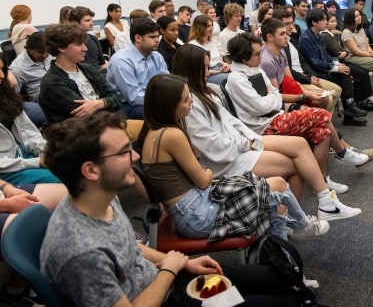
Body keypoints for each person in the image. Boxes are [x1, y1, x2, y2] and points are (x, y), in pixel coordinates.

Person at [41, 112, 282, 307]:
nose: (135, 156)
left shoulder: (98, 196)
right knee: (268, 303)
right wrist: (169, 269)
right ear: (91, 171)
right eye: (124, 152)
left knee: (266, 278)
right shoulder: (82, 255)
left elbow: (124, 245)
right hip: (162, 292)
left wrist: (181, 263)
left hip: (162, 279)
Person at [174, 44, 363, 217]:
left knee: (304, 142)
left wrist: (250, 137)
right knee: (314, 128)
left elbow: (235, 119)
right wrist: (246, 141)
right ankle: (305, 211)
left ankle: (321, 204)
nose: (209, 72)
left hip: (244, 140)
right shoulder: (192, 102)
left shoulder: (206, 93)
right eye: (205, 68)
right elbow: (215, 144)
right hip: (229, 157)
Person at [226, 33, 373, 195]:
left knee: (323, 132)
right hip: (264, 126)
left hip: (275, 116)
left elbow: (273, 94)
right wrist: (272, 97)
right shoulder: (237, 79)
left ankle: (322, 179)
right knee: (321, 115)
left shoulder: (255, 68)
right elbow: (261, 106)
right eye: (257, 54)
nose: (260, 56)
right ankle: (342, 153)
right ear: (244, 58)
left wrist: (271, 97)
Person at [299, 9, 373, 127]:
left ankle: (349, 108)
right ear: (314, 22)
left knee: (344, 71)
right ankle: (349, 109)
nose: (326, 22)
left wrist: (337, 64)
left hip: (323, 69)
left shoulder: (318, 36)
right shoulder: (306, 39)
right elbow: (315, 62)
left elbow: (326, 56)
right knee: (342, 75)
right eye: (323, 20)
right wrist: (335, 68)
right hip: (315, 73)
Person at [40, 24, 122, 124]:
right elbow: (86, 115)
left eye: (84, 43)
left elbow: (117, 98)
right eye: (79, 44)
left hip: (106, 123)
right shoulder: (53, 82)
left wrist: (101, 103)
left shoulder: (89, 69)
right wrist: (107, 103)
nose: (85, 48)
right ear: (61, 47)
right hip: (82, 133)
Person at [0, 52, 60, 185]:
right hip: (6, 169)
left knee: (75, 169)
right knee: (62, 180)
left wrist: (48, 152)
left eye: (2, 69)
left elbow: (30, 134)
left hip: (24, 158)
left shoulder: (6, 98)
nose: (2, 76)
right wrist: (37, 162)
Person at [278, 10, 343, 116]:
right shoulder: (299, 40)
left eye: (292, 23)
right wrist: (309, 79)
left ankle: (326, 120)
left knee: (337, 89)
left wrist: (311, 75)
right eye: (287, 24)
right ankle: (324, 121)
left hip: (306, 75)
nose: (291, 26)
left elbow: (302, 62)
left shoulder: (292, 41)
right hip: (298, 80)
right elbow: (290, 71)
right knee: (328, 96)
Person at [321, 12, 373, 112]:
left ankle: (368, 98)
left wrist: (343, 52)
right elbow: (337, 51)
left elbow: (342, 50)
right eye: (331, 21)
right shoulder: (325, 35)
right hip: (338, 63)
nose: (334, 24)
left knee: (364, 71)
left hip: (341, 61)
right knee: (360, 73)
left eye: (335, 21)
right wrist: (343, 52)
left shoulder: (331, 35)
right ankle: (363, 100)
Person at [107, 19, 169, 119]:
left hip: (151, 98)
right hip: (125, 105)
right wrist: (162, 100)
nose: (157, 40)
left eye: (158, 36)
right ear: (138, 38)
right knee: (163, 111)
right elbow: (133, 97)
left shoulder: (156, 56)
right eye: (152, 37)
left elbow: (167, 82)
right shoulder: (122, 61)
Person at [8, 31, 52, 103]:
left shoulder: (51, 54)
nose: (44, 55)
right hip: (40, 95)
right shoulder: (18, 68)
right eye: (40, 52)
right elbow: (12, 96)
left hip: (59, 86)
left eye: (47, 52)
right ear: (29, 49)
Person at [188, 15, 229, 85]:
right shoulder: (193, 45)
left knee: (239, 76)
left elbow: (218, 59)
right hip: (207, 75)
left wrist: (224, 64)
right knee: (232, 79)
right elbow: (198, 71)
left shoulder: (214, 41)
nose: (212, 28)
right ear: (199, 28)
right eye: (208, 26)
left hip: (219, 69)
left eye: (212, 25)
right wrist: (219, 71)